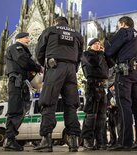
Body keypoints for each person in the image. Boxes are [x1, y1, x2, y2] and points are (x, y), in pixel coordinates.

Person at [34, 16, 83, 152]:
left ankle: (46, 140)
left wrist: (44, 64)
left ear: (55, 22)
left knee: (48, 103)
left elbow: (39, 51)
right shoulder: (77, 35)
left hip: (55, 67)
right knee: (71, 105)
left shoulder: (50, 30)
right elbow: (80, 55)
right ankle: (73, 141)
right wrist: (73, 67)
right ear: (67, 23)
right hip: (71, 70)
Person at [104, 16, 137, 151]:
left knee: (124, 106)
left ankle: (125, 142)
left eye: (119, 25)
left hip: (125, 72)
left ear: (123, 24)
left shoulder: (124, 31)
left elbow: (109, 50)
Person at [3, 32, 43, 151]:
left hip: (22, 82)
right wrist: (37, 67)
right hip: (17, 82)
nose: (29, 40)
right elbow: (23, 60)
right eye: (27, 38)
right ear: (19, 39)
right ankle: (9, 140)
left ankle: (10, 139)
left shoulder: (21, 49)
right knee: (15, 110)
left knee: (21, 110)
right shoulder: (16, 48)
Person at [80, 38, 114, 151]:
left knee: (102, 116)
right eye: (95, 44)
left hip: (103, 87)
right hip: (92, 86)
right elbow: (94, 62)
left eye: (99, 44)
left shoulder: (101, 55)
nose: (98, 45)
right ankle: (87, 141)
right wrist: (100, 53)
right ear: (90, 46)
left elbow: (111, 64)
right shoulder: (86, 54)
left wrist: (106, 54)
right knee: (91, 115)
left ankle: (101, 141)